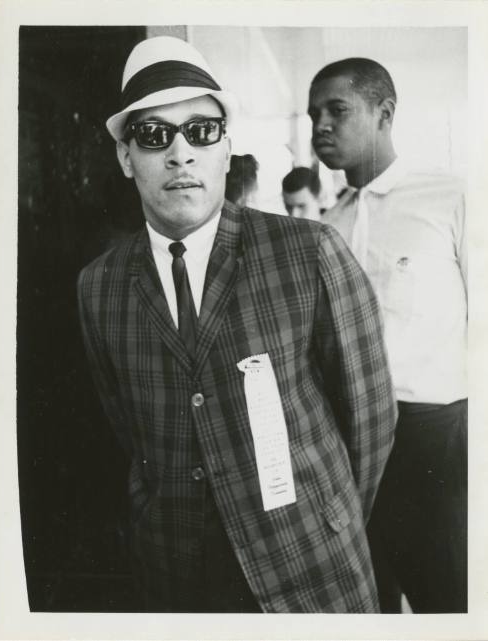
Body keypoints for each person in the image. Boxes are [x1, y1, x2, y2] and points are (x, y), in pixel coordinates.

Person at [77, 37, 397, 613]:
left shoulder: (310, 252)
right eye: (153, 135)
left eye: (200, 131)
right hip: (178, 582)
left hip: (312, 577)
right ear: (126, 157)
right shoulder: (98, 286)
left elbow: (370, 420)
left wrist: (328, 518)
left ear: (225, 148)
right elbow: (127, 429)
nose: (180, 154)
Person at [308, 57, 467, 613]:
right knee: (368, 600)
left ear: (385, 113)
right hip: (352, 443)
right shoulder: (327, 228)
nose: (320, 126)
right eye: (313, 116)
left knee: (448, 600)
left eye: (337, 110)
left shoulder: (451, 199)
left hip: (437, 440)